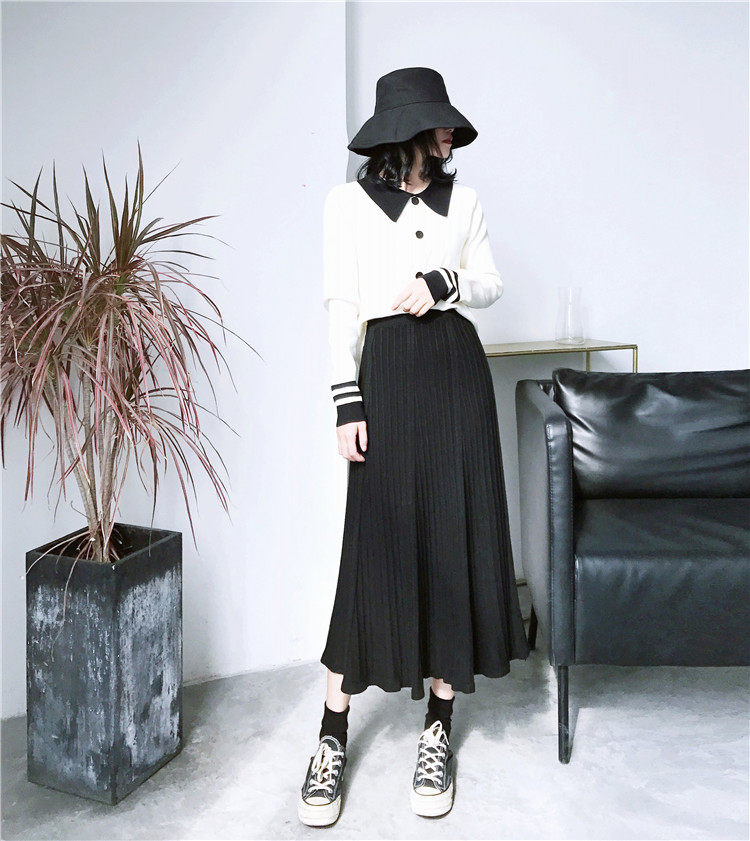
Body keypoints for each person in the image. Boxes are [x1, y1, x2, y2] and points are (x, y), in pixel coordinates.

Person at [297, 67, 530, 828]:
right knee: (375, 548)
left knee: (452, 538)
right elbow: (342, 305)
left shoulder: (467, 201)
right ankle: (331, 732)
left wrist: (445, 281)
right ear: (408, 130)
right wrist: (346, 400)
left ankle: (438, 722)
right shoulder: (346, 205)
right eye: (438, 122)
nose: (449, 133)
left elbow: (491, 283)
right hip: (387, 376)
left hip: (457, 376)